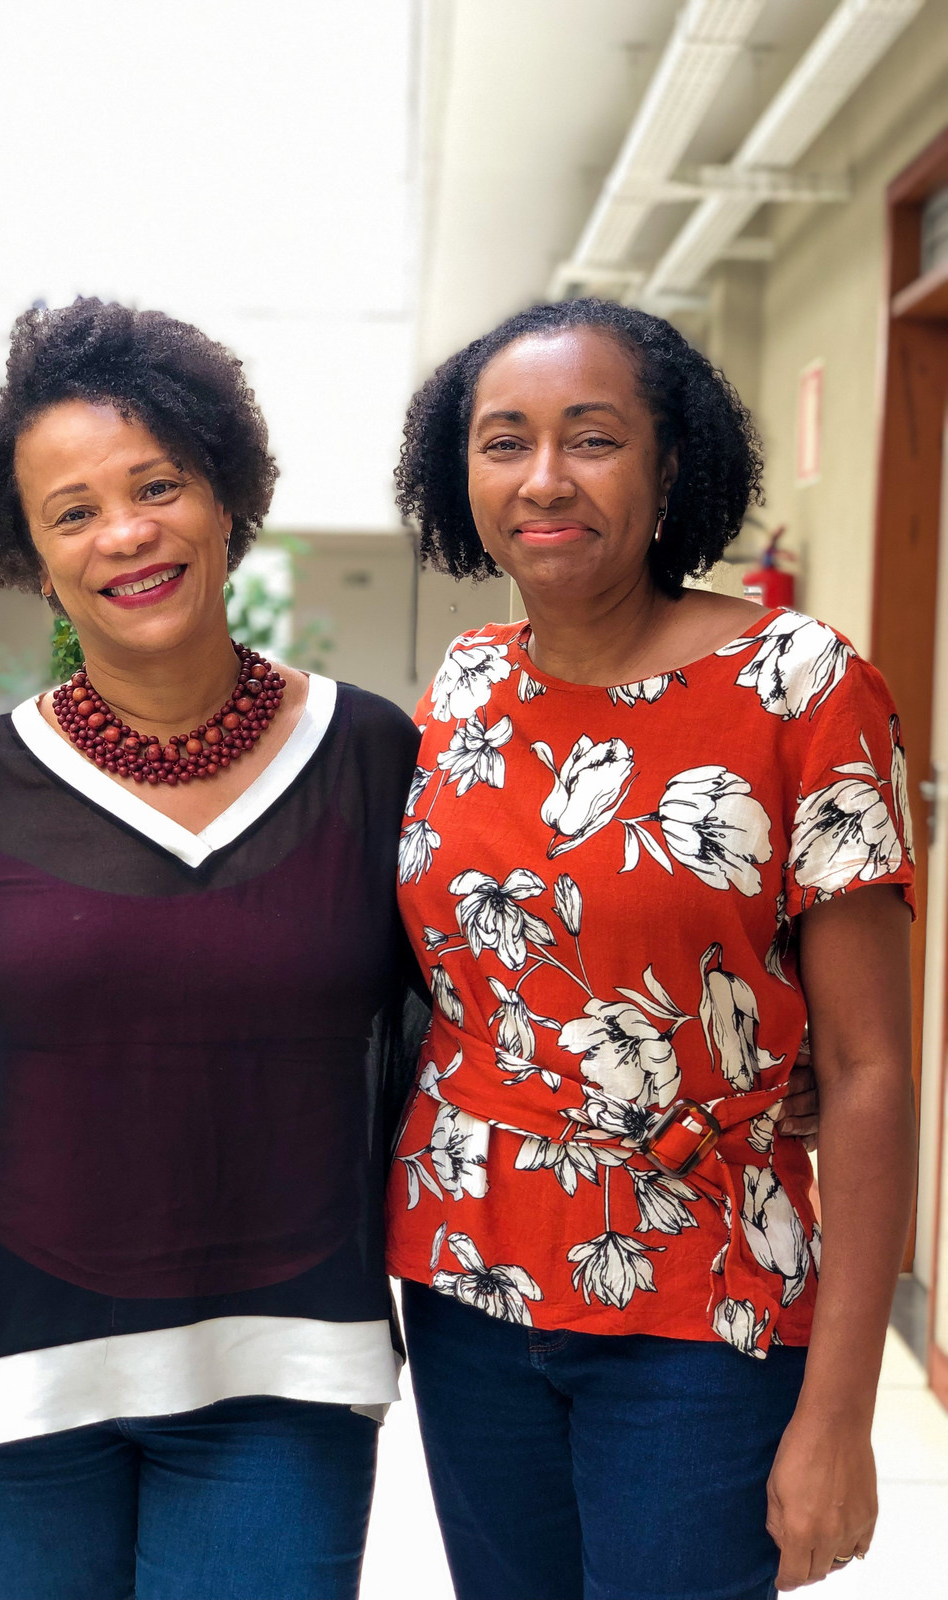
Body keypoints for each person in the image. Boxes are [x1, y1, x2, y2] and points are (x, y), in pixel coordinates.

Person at [0, 298, 426, 1600]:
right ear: (34, 554)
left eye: (157, 485)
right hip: (3, 1372)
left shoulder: (369, 758)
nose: (125, 533)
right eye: (73, 512)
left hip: (281, 1369)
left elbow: (472, 1014)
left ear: (227, 497)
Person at [385, 299, 916, 1600]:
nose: (545, 479)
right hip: (469, 1284)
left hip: (706, 1297)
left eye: (593, 438)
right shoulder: (460, 687)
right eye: (504, 441)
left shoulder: (801, 684)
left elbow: (867, 1068)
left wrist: (840, 1414)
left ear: (670, 466)